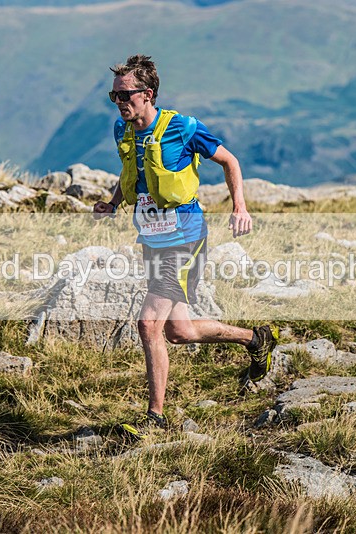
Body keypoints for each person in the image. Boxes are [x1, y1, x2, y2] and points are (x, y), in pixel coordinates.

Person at [93, 54, 278, 439]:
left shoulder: (182, 127)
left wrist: (239, 207)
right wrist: (113, 202)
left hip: (186, 238)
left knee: (147, 323)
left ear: (148, 94)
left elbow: (230, 161)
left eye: (125, 95)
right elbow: (136, 175)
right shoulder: (122, 130)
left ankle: (155, 419)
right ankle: (255, 338)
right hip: (152, 238)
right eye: (113, 96)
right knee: (179, 332)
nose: (119, 102)